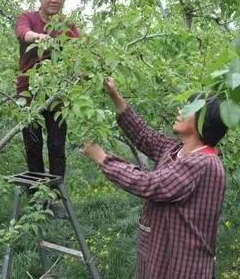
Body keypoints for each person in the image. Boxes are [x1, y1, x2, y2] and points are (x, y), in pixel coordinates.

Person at [83, 77, 228, 278]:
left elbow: (151, 183)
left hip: (184, 268)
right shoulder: (177, 150)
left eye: (188, 109)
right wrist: (114, 95)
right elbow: (143, 135)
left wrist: (103, 160)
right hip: (162, 258)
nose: (179, 111)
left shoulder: (203, 163)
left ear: (203, 122)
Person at [15, 0, 80, 182]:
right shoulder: (28, 17)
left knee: (56, 145)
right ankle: (37, 197)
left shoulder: (68, 26)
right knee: (33, 144)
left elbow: (80, 53)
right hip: (28, 91)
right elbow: (22, 33)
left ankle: (55, 196)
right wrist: (38, 37)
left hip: (58, 93)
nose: (54, 0)